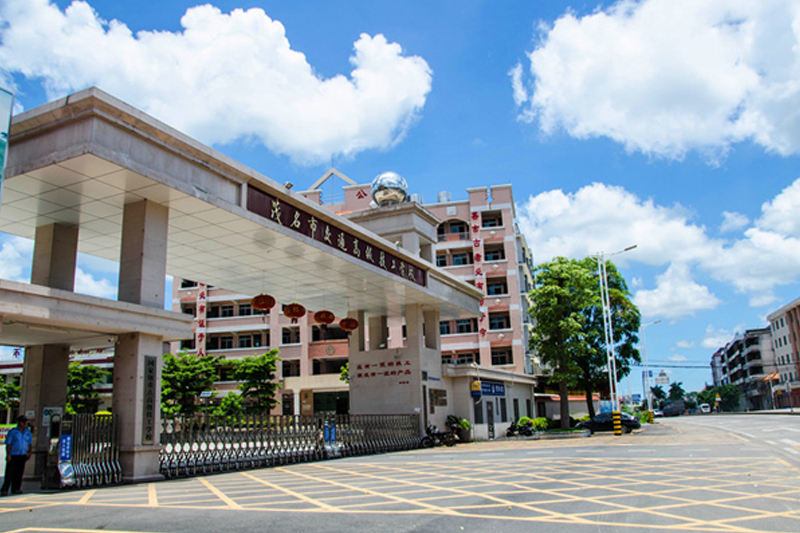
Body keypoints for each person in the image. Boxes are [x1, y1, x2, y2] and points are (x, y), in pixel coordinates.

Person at [1, 415, 33, 496]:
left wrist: (29, 452)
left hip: (22, 454)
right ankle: (4, 489)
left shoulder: (27, 432)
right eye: (23, 421)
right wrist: (8, 455)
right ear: (19, 422)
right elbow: (8, 444)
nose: (24, 423)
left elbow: (29, 443)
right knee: (9, 473)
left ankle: (16, 488)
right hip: (13, 454)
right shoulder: (13, 432)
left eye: (25, 422)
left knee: (19, 473)